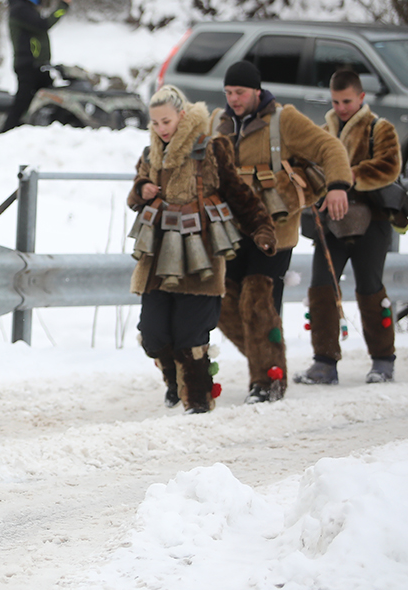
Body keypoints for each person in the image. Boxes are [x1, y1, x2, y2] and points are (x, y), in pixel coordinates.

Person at [128, 86, 276, 413]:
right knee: (153, 334)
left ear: (182, 115)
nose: (161, 129)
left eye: (166, 121)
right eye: (154, 123)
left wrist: (262, 227)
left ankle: (197, 401)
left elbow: (239, 194)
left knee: (191, 336)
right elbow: (134, 196)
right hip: (157, 255)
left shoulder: (210, 149)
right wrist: (142, 188)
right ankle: (175, 383)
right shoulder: (151, 154)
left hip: (201, 256)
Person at [212, 60, 353, 403]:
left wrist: (337, 185)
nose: (234, 99)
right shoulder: (219, 122)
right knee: (224, 305)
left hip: (274, 232)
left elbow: (329, 147)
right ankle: (269, 361)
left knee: (258, 304)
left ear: (256, 91)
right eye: (229, 92)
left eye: (240, 92)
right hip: (231, 231)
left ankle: (269, 383)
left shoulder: (283, 120)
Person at [297, 69, 401, 385]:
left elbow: (388, 166)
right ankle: (324, 360)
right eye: (336, 101)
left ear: (360, 98)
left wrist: (345, 177)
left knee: (369, 287)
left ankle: (383, 358)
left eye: (346, 101)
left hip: (374, 219)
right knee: (320, 287)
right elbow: (309, 169)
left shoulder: (380, 129)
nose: (341, 108)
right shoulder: (323, 129)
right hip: (332, 219)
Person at [6, 0, 71, 131]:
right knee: (21, 105)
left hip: (38, 66)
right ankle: (2, 136)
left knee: (50, 103)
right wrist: (62, 7)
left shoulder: (26, 7)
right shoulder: (19, 9)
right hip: (28, 66)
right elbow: (43, 25)